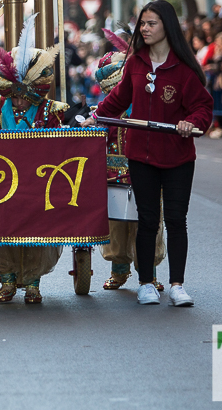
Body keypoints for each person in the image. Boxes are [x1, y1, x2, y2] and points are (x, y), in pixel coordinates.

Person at [81, 0, 213, 307]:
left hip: (179, 156)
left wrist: (190, 123)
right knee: (148, 219)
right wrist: (97, 116)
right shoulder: (136, 63)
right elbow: (117, 99)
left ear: (167, 26)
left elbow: (202, 107)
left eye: (151, 23)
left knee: (177, 220)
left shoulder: (183, 67)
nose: (145, 28)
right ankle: (145, 284)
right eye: (143, 23)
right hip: (141, 155)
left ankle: (177, 284)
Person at [0, 14, 68, 304]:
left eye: (25, 97)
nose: (20, 103)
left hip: (38, 186)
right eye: (15, 97)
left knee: (36, 233)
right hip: (1, 185)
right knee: (4, 232)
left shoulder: (51, 111)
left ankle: (33, 282)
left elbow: (62, 145)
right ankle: (8, 279)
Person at [92, 30, 165, 292]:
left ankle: (149, 273)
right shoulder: (101, 111)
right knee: (116, 227)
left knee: (147, 223)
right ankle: (119, 271)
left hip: (144, 170)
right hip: (112, 176)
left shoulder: (147, 105)